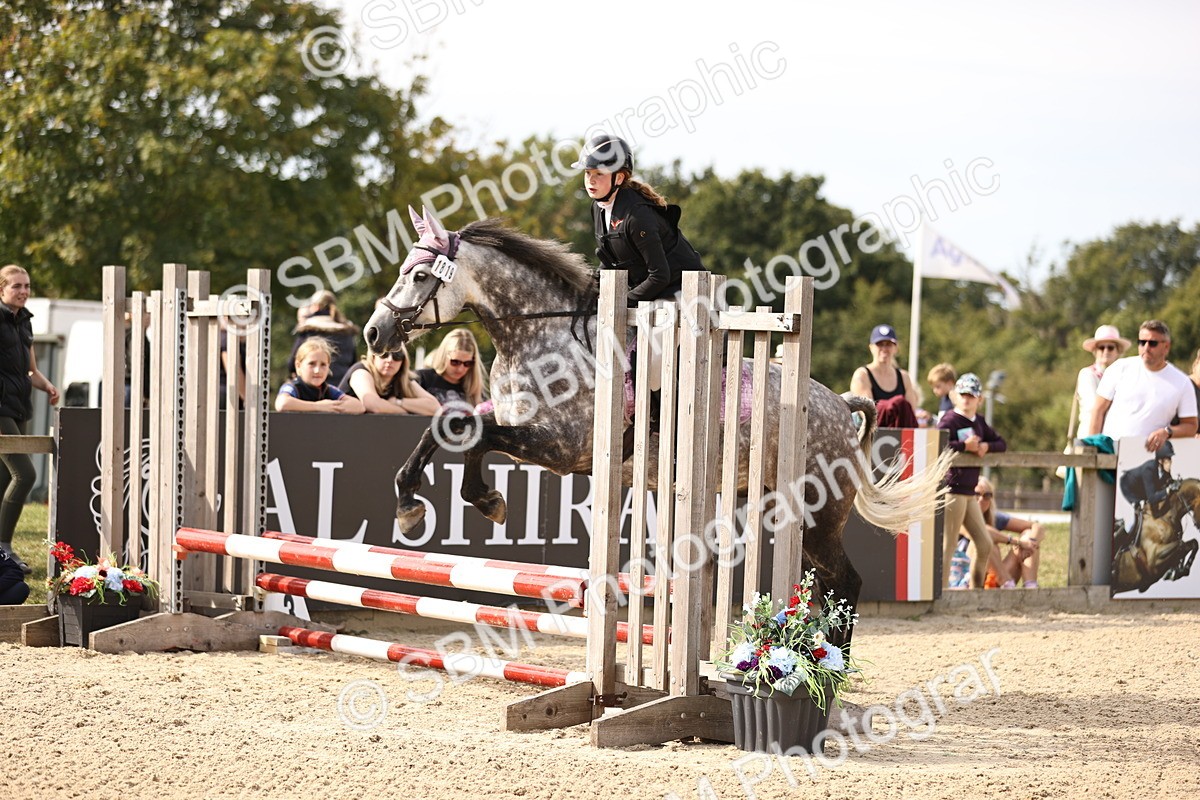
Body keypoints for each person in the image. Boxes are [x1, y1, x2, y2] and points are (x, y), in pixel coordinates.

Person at [574, 134, 706, 307]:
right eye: (588, 172)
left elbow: (659, 276)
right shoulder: (598, 208)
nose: (591, 180)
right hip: (651, 293)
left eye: (599, 173)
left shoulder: (637, 217)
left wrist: (622, 301)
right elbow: (609, 262)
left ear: (619, 178)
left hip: (684, 295)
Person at [0, 265, 59, 574]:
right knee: (25, 475)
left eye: (27, 285)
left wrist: (47, 385)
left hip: (20, 407)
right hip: (1, 410)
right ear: (2, 290)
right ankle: (4, 548)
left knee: (3, 478)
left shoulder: (25, 322)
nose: (23, 290)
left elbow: (31, 371)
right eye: (16, 286)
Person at [937, 373, 1008, 589]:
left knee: (985, 544)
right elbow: (938, 443)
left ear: (980, 400)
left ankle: (976, 592)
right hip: (952, 489)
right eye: (963, 395)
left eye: (971, 395)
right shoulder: (949, 419)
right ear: (955, 396)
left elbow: (1001, 443)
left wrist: (987, 446)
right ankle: (942, 594)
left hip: (969, 493)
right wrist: (963, 446)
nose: (967, 399)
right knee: (948, 546)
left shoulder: (979, 422)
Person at [1088, 320, 1198, 451]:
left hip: (1148, 460)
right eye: (1142, 342)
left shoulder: (1182, 382)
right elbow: (1098, 411)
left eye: (1152, 343)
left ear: (1166, 347)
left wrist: (1167, 432)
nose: (1146, 347)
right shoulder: (1119, 368)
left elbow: (1191, 426)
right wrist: (1092, 448)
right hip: (1110, 452)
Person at [975, 477, 1045, 589]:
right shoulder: (961, 516)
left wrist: (1031, 542)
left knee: (1028, 534)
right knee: (988, 543)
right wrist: (1018, 542)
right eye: (976, 494)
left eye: (987, 495)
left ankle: (1031, 587)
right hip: (971, 579)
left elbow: (1037, 526)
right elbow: (983, 530)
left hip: (996, 580)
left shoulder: (995, 517)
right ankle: (1005, 582)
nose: (981, 499)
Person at [850, 324, 921, 428]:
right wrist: (896, 405)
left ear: (895, 348)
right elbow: (868, 414)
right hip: (871, 438)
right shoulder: (862, 375)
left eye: (888, 344)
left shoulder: (904, 377)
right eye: (879, 344)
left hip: (901, 438)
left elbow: (910, 415)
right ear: (871, 348)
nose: (884, 348)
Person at [339, 345, 439, 415]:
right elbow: (373, 405)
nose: (390, 360)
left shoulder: (403, 379)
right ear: (373, 356)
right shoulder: (361, 371)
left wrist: (398, 402)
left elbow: (435, 408)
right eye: (384, 354)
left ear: (403, 361)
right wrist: (408, 411)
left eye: (397, 355)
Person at [290, 290, 359, 388]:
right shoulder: (346, 329)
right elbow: (353, 361)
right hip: (343, 388)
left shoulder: (309, 327)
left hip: (315, 389)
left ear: (316, 306)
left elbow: (292, 363)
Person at [276, 338, 364, 414]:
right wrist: (318, 406)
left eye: (323, 365)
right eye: (312, 364)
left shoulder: (328, 390)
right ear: (298, 366)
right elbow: (282, 403)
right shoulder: (293, 387)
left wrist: (332, 407)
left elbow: (359, 407)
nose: (317, 370)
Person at [1074, 324, 1129, 436]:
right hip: (1089, 436)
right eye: (1101, 347)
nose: (1106, 351)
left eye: (1110, 347)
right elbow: (1094, 406)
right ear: (1095, 351)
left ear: (1118, 351)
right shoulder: (1087, 374)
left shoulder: (1124, 377)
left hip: (1114, 437)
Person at [417, 328, 488, 408]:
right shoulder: (422, 378)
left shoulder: (476, 391)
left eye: (467, 363)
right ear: (443, 356)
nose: (460, 369)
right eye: (455, 362)